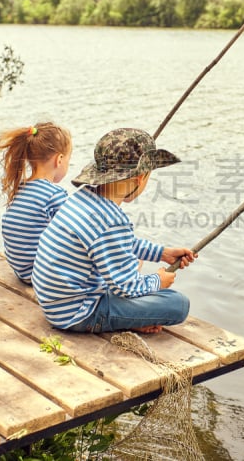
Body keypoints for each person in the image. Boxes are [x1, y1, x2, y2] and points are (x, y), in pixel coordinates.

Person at [31, 127, 196, 334]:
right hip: (78, 313)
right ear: (140, 178)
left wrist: (162, 253)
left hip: (56, 304)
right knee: (177, 305)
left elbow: (119, 243)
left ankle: (128, 318)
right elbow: (125, 287)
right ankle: (122, 320)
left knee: (133, 264)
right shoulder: (110, 221)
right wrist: (158, 280)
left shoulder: (85, 198)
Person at [0, 122, 72, 284]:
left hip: (24, 272)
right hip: (45, 276)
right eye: (68, 161)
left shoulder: (20, 189)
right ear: (59, 160)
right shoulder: (54, 195)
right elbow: (76, 233)